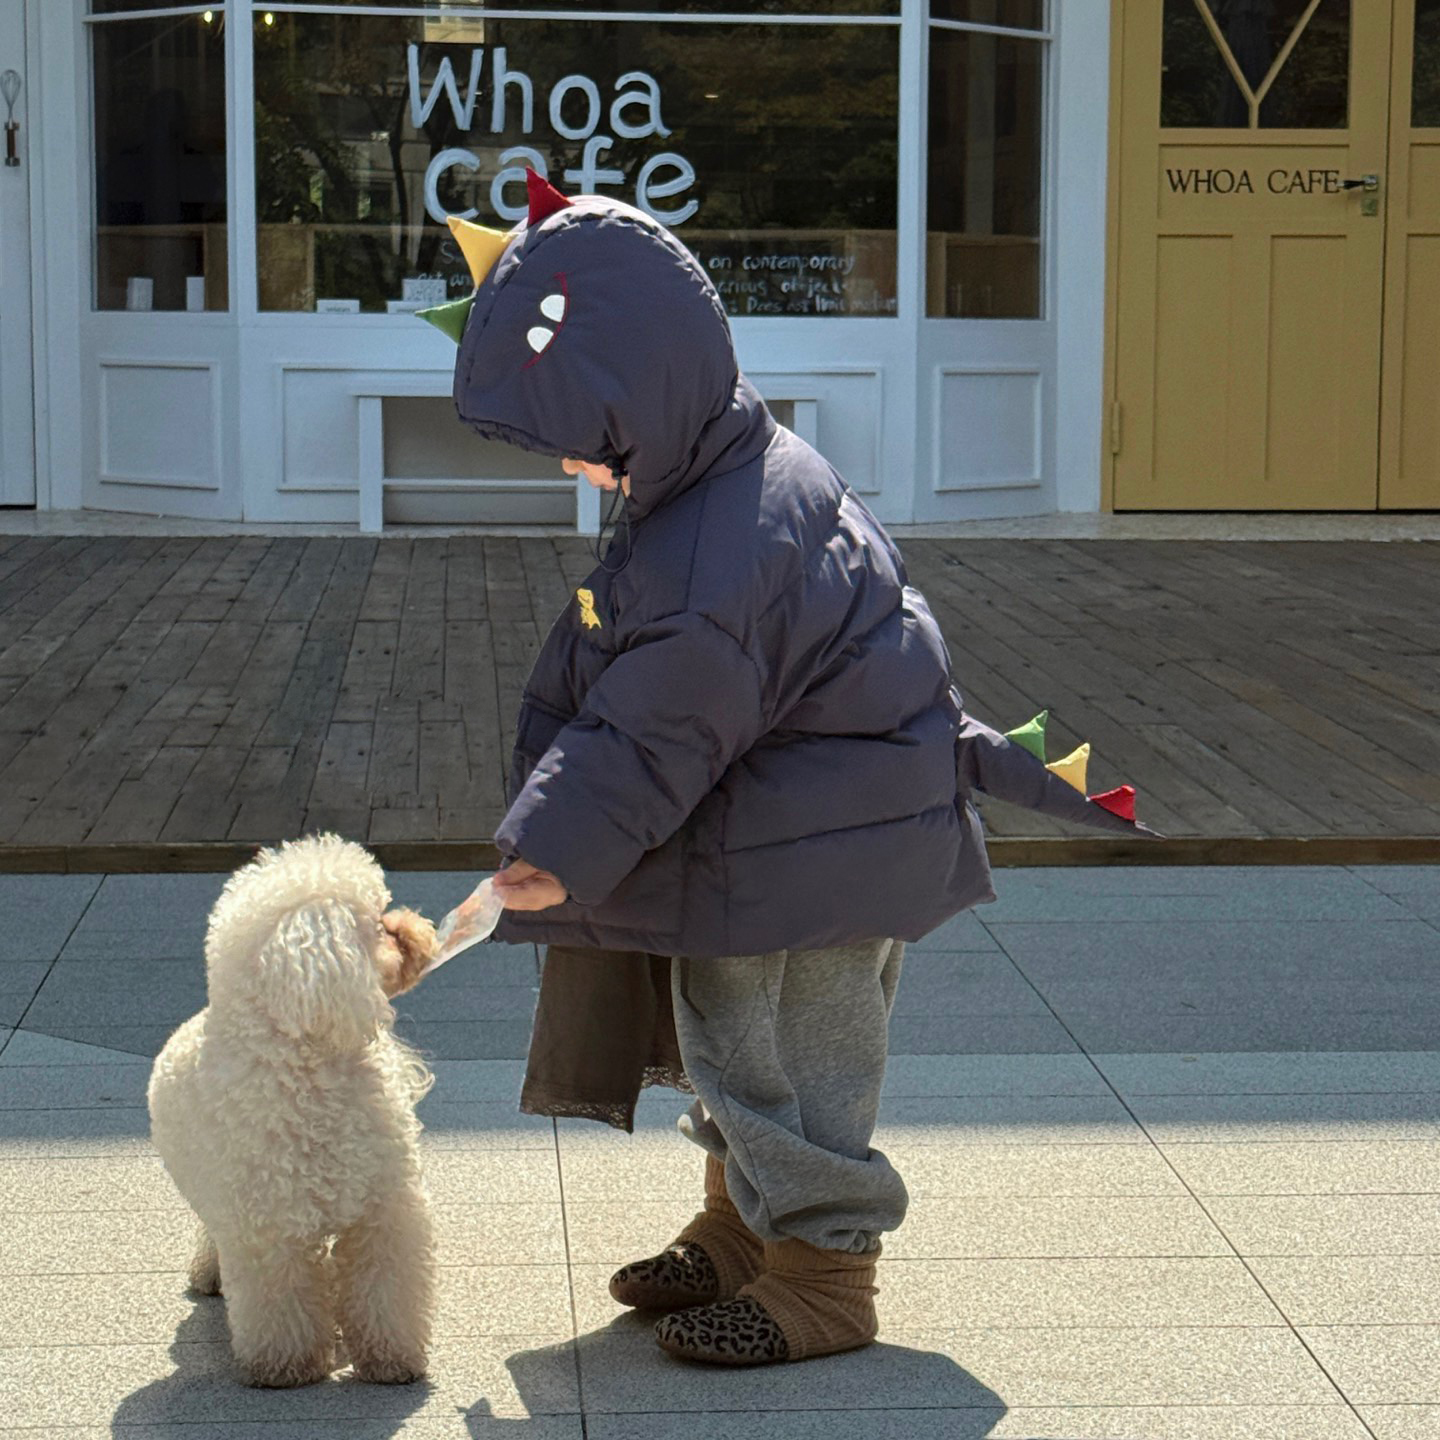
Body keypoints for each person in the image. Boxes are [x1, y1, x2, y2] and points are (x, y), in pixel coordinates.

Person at [420, 171, 1149, 1367]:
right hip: (791, 827)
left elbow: (661, 717)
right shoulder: (719, 467)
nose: (567, 470)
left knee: (787, 1061)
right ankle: (738, 1226)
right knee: (731, 1038)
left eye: (577, 445)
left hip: (820, 850)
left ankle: (823, 1269)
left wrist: (555, 848)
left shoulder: (719, 544)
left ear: (639, 395)